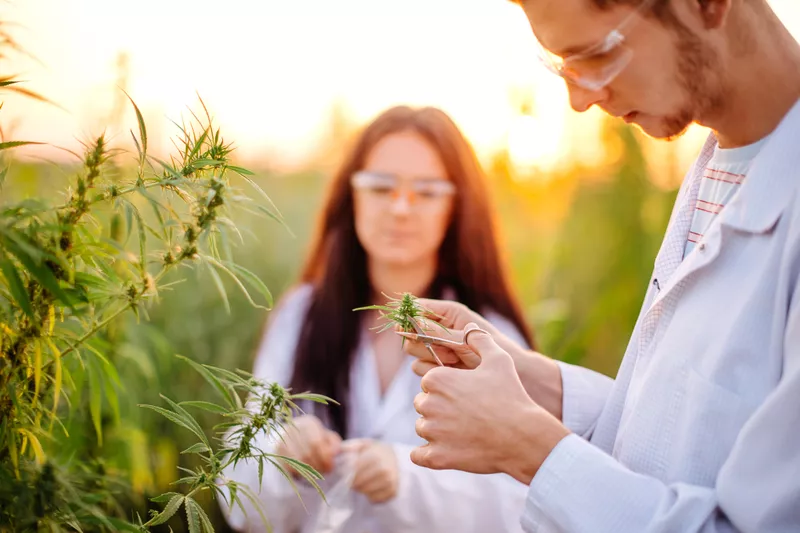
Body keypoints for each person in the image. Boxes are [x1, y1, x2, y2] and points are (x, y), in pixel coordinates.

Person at [401, 0, 800, 532]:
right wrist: (536, 384)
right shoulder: (723, 166)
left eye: (594, 56)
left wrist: (528, 447)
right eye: (563, 68)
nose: (580, 99)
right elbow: (691, 433)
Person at [220, 105, 534, 533]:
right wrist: (281, 454)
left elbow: (522, 503)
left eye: (426, 191)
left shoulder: (488, 334)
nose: (401, 209)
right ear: (353, 196)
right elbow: (237, 500)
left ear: (456, 207)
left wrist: (408, 481)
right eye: (381, 187)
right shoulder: (300, 317)